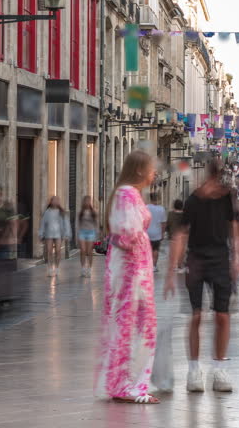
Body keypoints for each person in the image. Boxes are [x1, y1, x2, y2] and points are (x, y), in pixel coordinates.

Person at [165, 159, 239, 393]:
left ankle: (219, 368)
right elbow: (181, 234)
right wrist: (171, 271)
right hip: (197, 260)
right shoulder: (193, 201)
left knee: (222, 316)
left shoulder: (227, 198)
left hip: (220, 260)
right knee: (196, 316)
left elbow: (234, 229)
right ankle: (194, 369)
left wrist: (237, 258)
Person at [94, 150, 159, 404]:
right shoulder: (127, 194)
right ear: (140, 170)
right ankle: (128, 386)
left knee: (132, 325)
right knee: (134, 325)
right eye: (152, 168)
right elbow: (127, 234)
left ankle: (126, 384)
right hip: (131, 272)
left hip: (133, 270)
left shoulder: (128, 193)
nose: (155, 173)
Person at [39, 196, 71, 277]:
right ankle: (50, 268)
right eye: (54, 200)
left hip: (58, 234)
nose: (55, 202)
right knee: (49, 251)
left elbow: (66, 223)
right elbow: (43, 223)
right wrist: (41, 233)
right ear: (51, 202)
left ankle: (56, 268)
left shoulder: (62, 212)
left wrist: (67, 234)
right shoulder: (47, 212)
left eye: (57, 200)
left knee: (58, 251)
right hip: (49, 234)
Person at [77, 196, 99, 278]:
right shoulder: (80, 212)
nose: (88, 202)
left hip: (91, 232)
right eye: (86, 200)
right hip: (82, 232)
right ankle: (83, 268)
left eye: (89, 201)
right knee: (83, 250)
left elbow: (96, 224)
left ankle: (89, 268)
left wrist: (97, 234)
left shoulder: (94, 212)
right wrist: (77, 234)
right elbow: (78, 224)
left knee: (89, 251)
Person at [146, 193, 167, 272]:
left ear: (150, 199)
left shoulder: (146, 208)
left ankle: (148, 265)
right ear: (158, 199)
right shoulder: (161, 209)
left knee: (148, 250)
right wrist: (162, 233)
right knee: (155, 250)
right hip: (157, 233)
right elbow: (164, 223)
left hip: (147, 232)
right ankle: (154, 266)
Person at [166, 199, 185, 273]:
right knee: (181, 252)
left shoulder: (170, 214)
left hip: (172, 235)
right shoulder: (185, 214)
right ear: (182, 206)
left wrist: (168, 231)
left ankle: (173, 266)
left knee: (173, 252)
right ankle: (179, 266)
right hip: (182, 236)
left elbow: (168, 224)